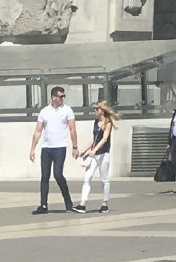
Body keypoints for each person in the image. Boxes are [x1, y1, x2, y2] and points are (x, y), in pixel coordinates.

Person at [30, 85, 76, 213]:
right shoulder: (45, 111)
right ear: (53, 97)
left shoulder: (67, 110)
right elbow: (38, 131)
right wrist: (33, 148)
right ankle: (43, 205)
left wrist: (75, 147)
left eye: (64, 96)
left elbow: (72, 129)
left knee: (58, 174)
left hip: (60, 147)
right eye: (60, 96)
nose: (62, 98)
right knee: (45, 176)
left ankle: (68, 202)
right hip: (47, 148)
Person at [76, 100, 116, 212]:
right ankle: (82, 204)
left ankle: (105, 203)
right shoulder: (95, 122)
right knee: (87, 177)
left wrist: (95, 149)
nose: (95, 111)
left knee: (104, 179)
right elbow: (94, 138)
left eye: (97, 109)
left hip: (103, 154)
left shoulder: (108, 123)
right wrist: (84, 150)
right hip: (94, 154)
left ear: (103, 110)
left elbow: (104, 138)